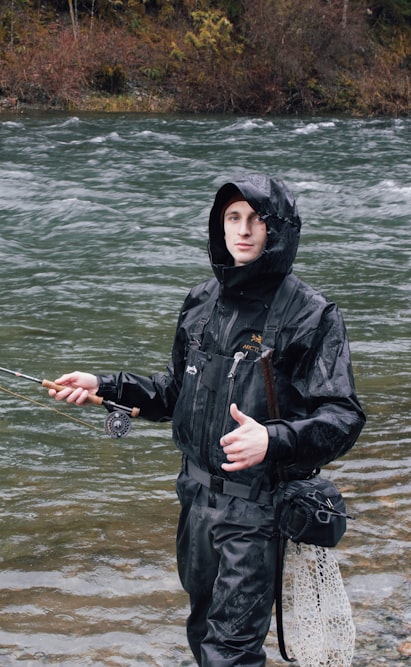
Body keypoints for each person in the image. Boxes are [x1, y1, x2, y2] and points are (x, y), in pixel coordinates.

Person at [49, 175, 365, 666]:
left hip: (257, 514)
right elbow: (174, 393)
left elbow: (343, 418)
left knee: (229, 652)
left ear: (278, 229)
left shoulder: (312, 315)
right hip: (194, 502)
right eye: (233, 219)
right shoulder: (201, 302)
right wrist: (105, 385)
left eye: (257, 220)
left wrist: (272, 439)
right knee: (203, 632)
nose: (244, 230)